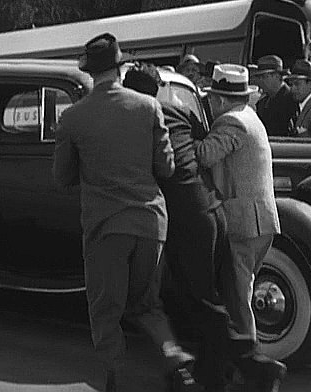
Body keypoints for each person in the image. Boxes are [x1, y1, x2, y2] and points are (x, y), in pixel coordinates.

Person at [52, 33, 197, 392]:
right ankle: (173, 354)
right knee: (147, 304)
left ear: (90, 73)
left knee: (106, 310)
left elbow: (62, 177)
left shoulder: (73, 117)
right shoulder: (149, 107)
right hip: (151, 223)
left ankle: (120, 380)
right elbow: (166, 167)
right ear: (119, 68)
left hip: (106, 227)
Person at [123, 63, 233, 392]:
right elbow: (202, 140)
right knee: (201, 293)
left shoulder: (138, 118)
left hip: (185, 217)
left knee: (200, 298)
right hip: (211, 208)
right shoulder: (178, 110)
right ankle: (222, 365)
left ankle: (222, 373)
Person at [195, 63, 287, 392]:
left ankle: (253, 365)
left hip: (243, 223)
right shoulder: (251, 117)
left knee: (238, 297)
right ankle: (246, 363)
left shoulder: (231, 121)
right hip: (260, 220)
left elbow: (204, 155)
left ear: (220, 100)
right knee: (241, 292)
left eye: (212, 98)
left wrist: (183, 135)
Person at [252, 55, 298, 136]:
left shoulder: (290, 100)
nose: (260, 81)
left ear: (276, 76)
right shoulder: (263, 101)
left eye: (264, 77)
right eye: (259, 77)